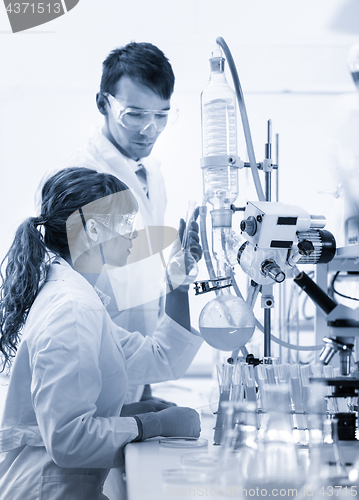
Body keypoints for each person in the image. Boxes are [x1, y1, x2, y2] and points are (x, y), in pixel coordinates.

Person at [0, 167, 203, 500]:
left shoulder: (80, 300)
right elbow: (70, 441)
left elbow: (162, 358)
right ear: (93, 230)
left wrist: (177, 284)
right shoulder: (72, 310)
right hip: (43, 491)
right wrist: (153, 425)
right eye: (125, 224)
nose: (133, 235)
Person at [36, 41, 183, 408]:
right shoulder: (77, 176)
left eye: (161, 115)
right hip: (88, 362)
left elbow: (144, 271)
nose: (150, 129)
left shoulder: (153, 176)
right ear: (104, 103)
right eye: (134, 114)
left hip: (136, 361)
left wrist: (143, 379)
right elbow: (67, 283)